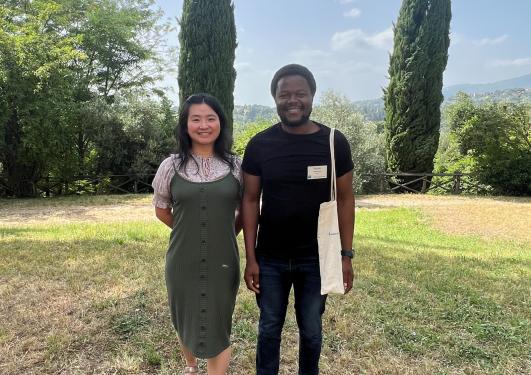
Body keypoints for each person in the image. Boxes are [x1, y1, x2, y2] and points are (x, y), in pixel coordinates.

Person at [241, 64, 355, 375]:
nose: (293, 100)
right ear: (275, 99)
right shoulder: (259, 145)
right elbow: (250, 200)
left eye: (300, 94)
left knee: (312, 332)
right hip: (270, 259)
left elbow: (346, 200)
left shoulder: (334, 142)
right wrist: (251, 258)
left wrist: (346, 255)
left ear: (312, 96)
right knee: (268, 331)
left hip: (317, 259)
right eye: (285, 94)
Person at [152, 93, 242, 375]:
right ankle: (190, 366)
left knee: (219, 320)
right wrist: (187, 232)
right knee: (185, 316)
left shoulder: (237, 167)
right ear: (186, 124)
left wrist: (224, 233)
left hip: (223, 258)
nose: (204, 125)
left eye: (210, 118)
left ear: (220, 123)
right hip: (182, 259)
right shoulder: (171, 166)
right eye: (196, 119)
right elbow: (162, 209)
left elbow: (247, 212)